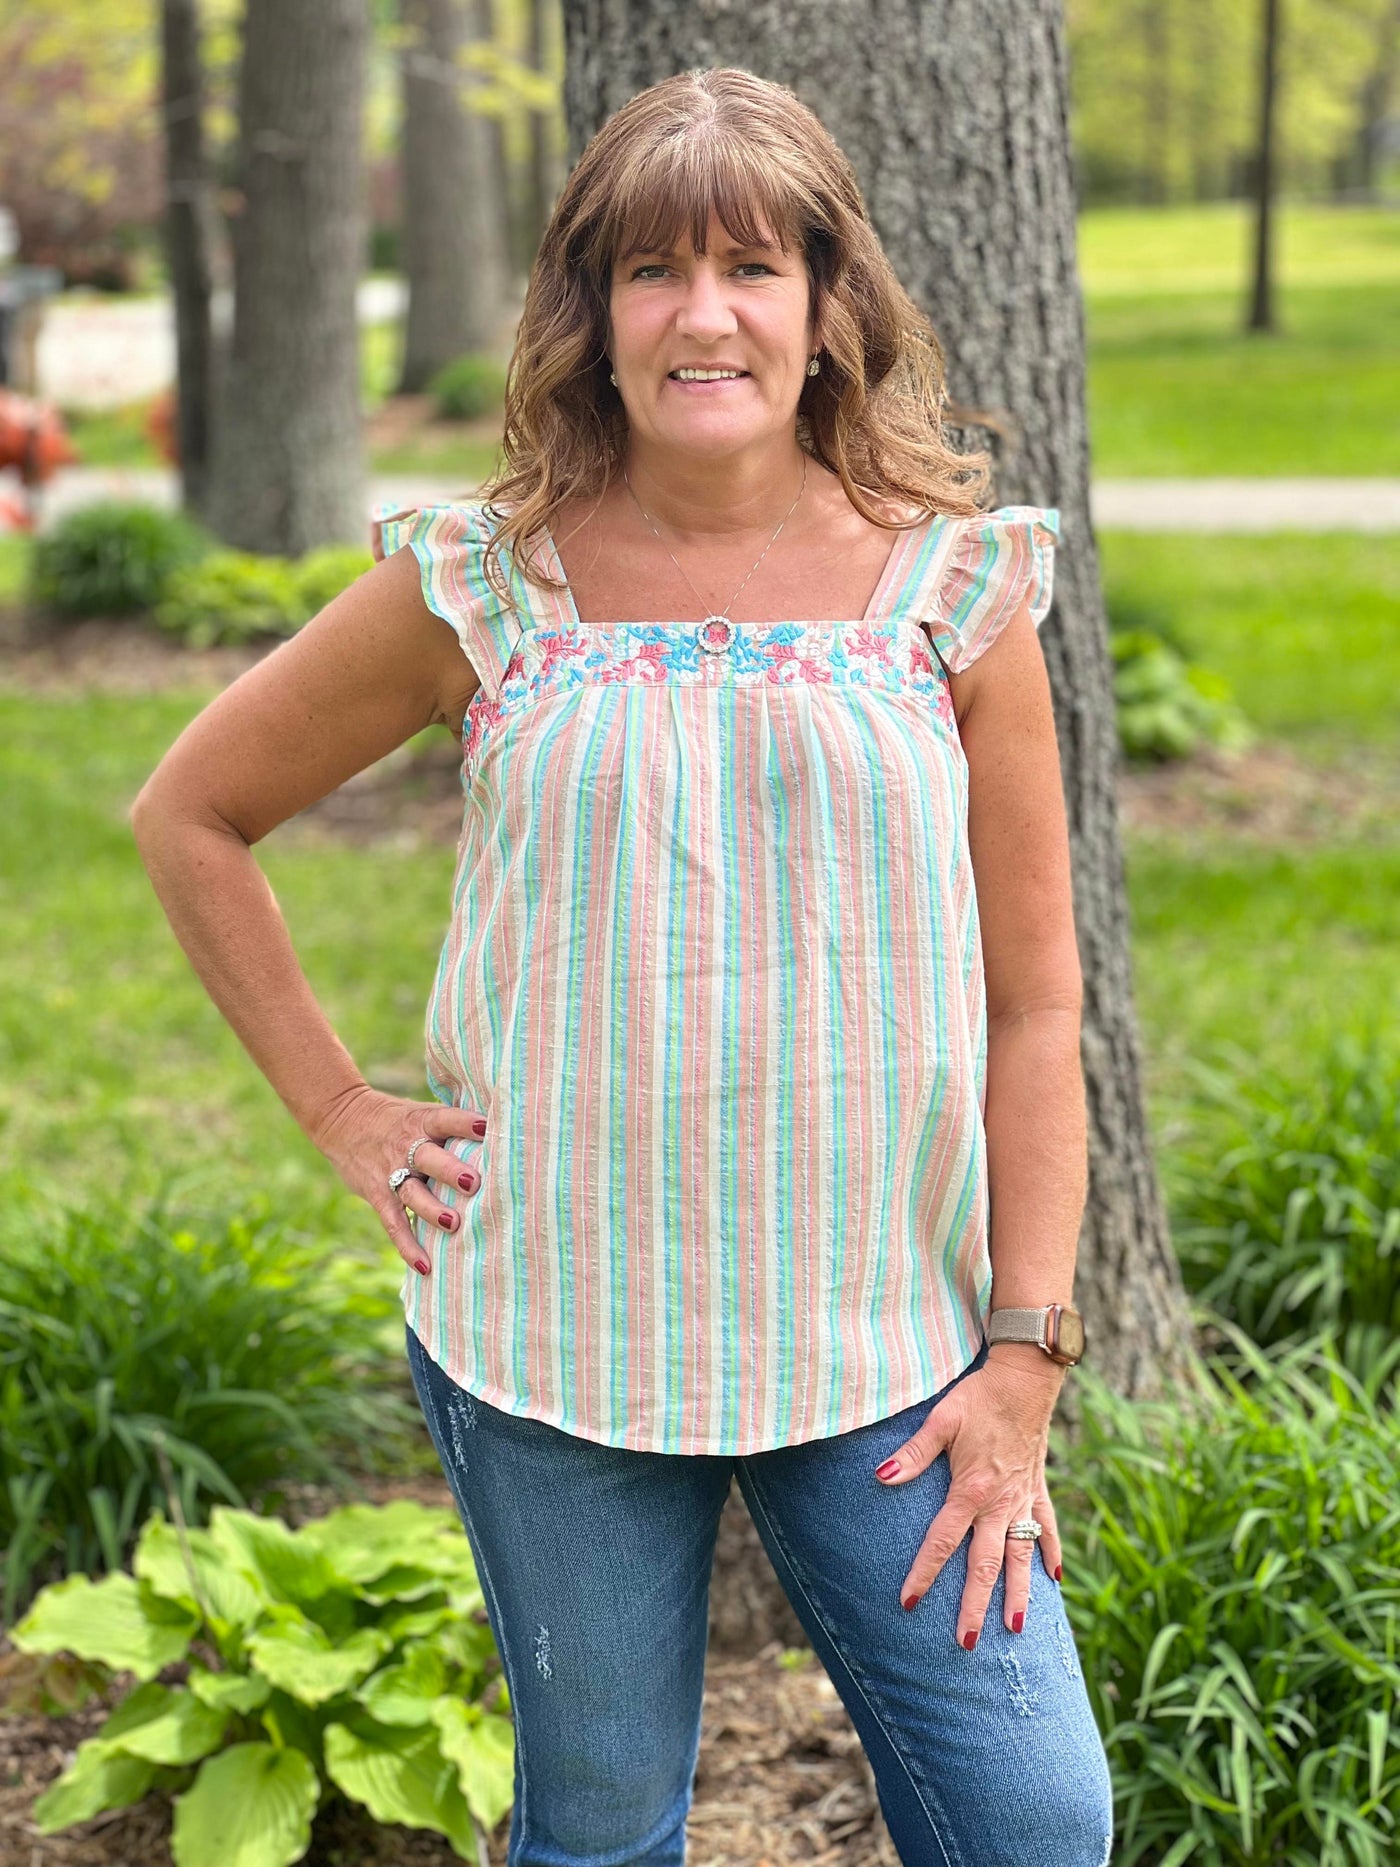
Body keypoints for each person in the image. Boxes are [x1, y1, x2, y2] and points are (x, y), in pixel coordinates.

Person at [132, 63, 1114, 1867]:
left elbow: (1037, 1002)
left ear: (829, 311)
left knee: (1034, 1820)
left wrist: (1026, 1350)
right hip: (557, 1333)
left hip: (885, 1344)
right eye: (652, 272)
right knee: (597, 1831)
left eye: (752, 267)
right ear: (592, 319)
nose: (705, 314)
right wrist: (345, 1110)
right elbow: (191, 812)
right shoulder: (485, 586)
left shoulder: (956, 595)